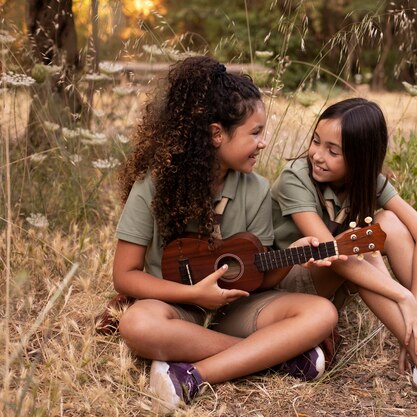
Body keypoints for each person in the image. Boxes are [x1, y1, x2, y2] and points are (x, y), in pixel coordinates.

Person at [112, 56, 339, 414]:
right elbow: (124, 275)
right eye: (255, 132)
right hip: (174, 306)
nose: (263, 143)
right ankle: (273, 355)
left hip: (236, 307)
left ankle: (191, 374)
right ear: (217, 134)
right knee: (137, 324)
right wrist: (191, 293)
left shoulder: (257, 189)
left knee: (322, 314)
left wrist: (295, 253)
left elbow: (258, 276)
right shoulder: (153, 185)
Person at [270, 98, 417, 415]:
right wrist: (404, 299)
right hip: (290, 285)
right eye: (316, 141)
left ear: (360, 158)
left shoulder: (369, 181)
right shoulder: (296, 178)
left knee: (390, 224)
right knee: (362, 247)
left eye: (333, 150)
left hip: (338, 276)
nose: (317, 154)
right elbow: (330, 252)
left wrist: (413, 305)